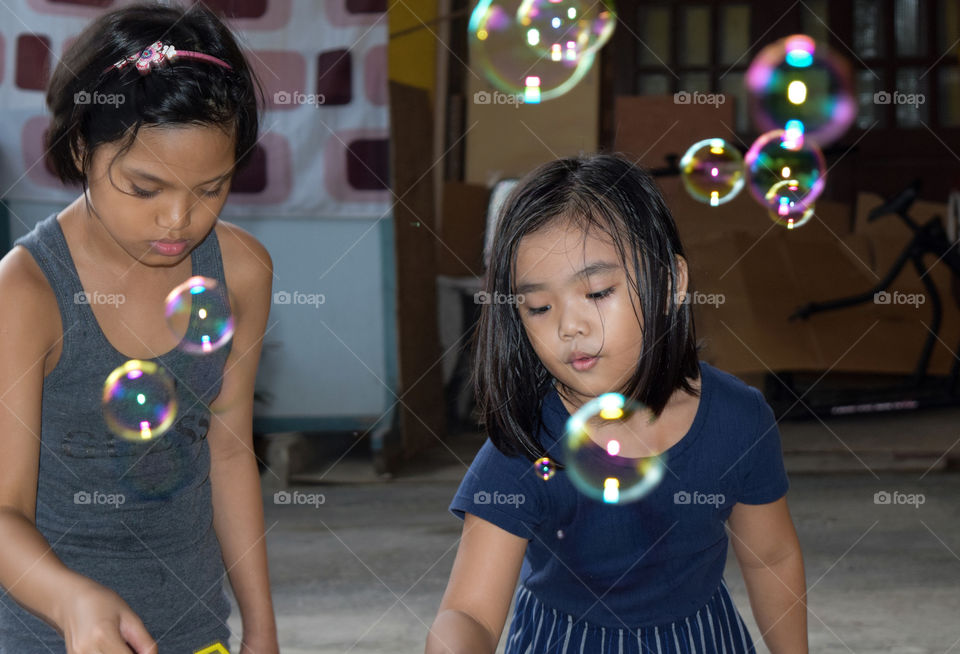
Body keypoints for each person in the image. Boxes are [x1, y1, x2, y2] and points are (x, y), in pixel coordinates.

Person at [426, 154, 808, 653]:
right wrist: (453, 640)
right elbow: (470, 610)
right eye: (539, 307)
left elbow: (771, 558)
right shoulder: (527, 444)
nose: (569, 326)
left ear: (671, 283)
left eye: (597, 291)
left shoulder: (737, 420)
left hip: (702, 639)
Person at [0, 3, 278, 653]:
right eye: (144, 188)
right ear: (80, 148)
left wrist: (260, 627)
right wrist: (74, 602)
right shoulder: (27, 293)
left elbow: (230, 450)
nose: (178, 220)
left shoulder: (239, 272)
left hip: (195, 630)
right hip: (51, 636)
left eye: (211, 188)